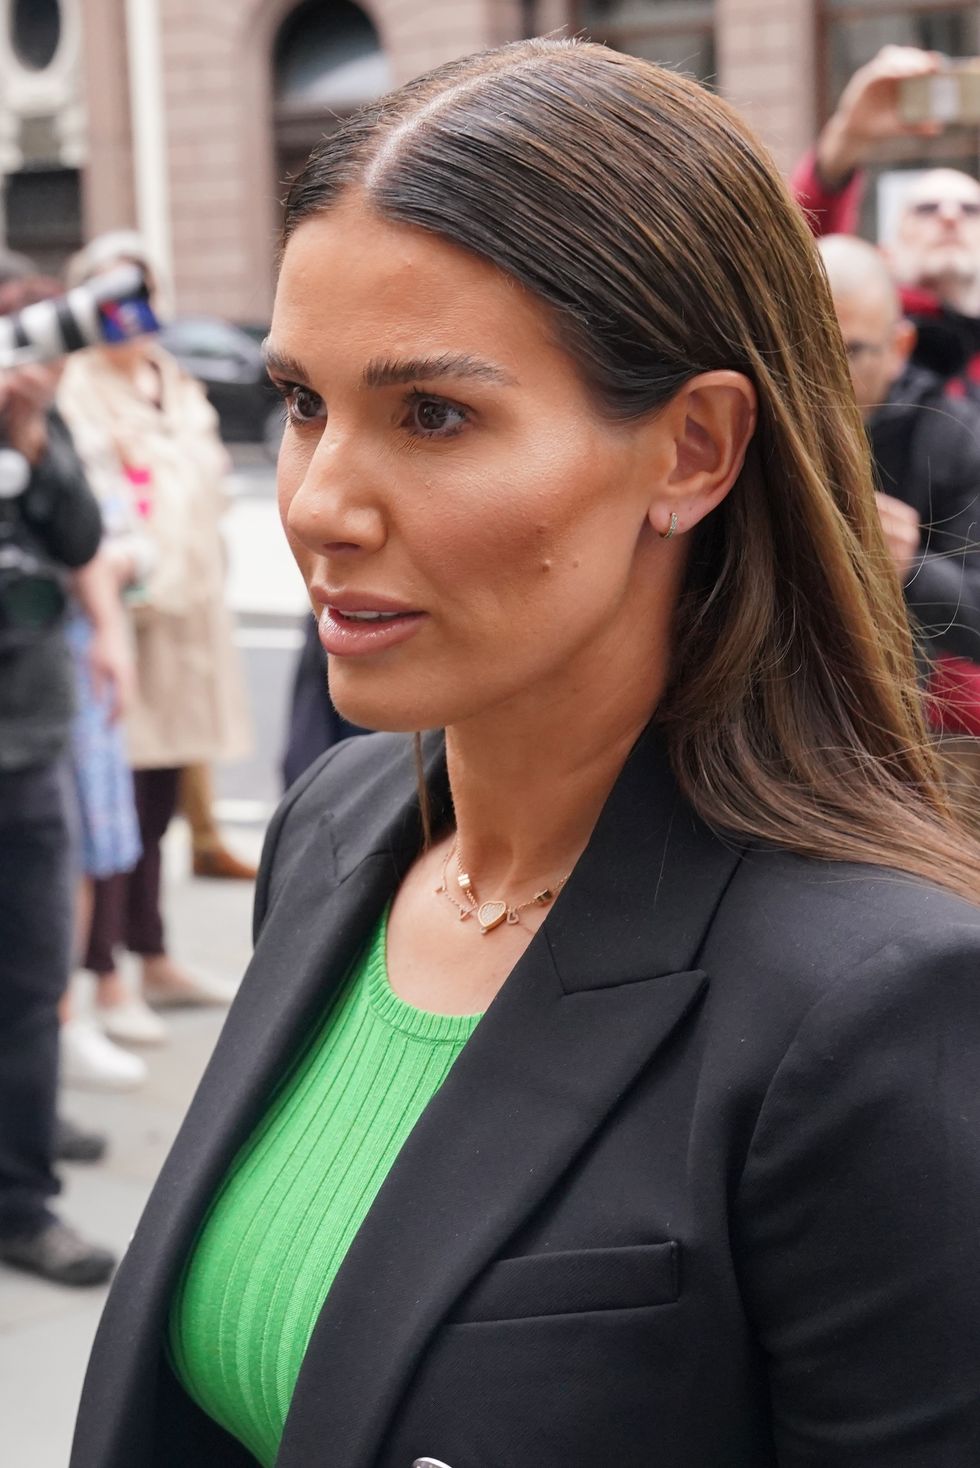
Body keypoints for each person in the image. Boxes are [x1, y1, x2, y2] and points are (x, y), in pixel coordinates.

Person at [71, 38, 980, 1468]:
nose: (316, 503)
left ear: (692, 450)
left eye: (432, 414)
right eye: (302, 402)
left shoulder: (874, 1001)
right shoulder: (336, 825)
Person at [58, 232, 250, 1046]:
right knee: (116, 808)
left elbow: (207, 492)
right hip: (124, 623)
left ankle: (154, 954)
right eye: (110, 299)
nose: (127, 314)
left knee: (164, 798)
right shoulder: (76, 388)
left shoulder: (175, 381)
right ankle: (104, 973)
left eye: (137, 294)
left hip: (189, 620)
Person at [0, 331, 116, 1284]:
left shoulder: (37, 422)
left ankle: (19, 1199)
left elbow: (79, 540)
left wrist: (32, 435)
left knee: (32, 986)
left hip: (27, 744)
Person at [817, 233, 980, 809]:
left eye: (847, 352)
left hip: (889, 734)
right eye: (798, 348)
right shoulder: (745, 413)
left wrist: (909, 564)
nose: (817, 375)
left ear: (899, 346)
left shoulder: (951, 437)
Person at [792, 44, 980, 392]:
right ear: (887, 252)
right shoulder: (854, 329)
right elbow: (796, 257)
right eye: (926, 209)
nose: (950, 216)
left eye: (970, 209)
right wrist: (851, 134)